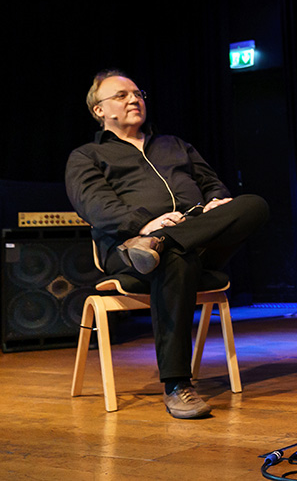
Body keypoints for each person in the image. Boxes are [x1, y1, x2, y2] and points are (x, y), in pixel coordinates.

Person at [65, 69, 269, 419]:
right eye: (122, 95)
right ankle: (177, 385)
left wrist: (218, 202)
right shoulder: (86, 156)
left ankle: (164, 242)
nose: (134, 99)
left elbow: (212, 184)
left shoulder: (175, 145)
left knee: (254, 204)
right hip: (129, 250)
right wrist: (144, 225)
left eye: (138, 93)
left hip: (196, 235)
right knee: (177, 257)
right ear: (99, 110)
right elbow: (97, 208)